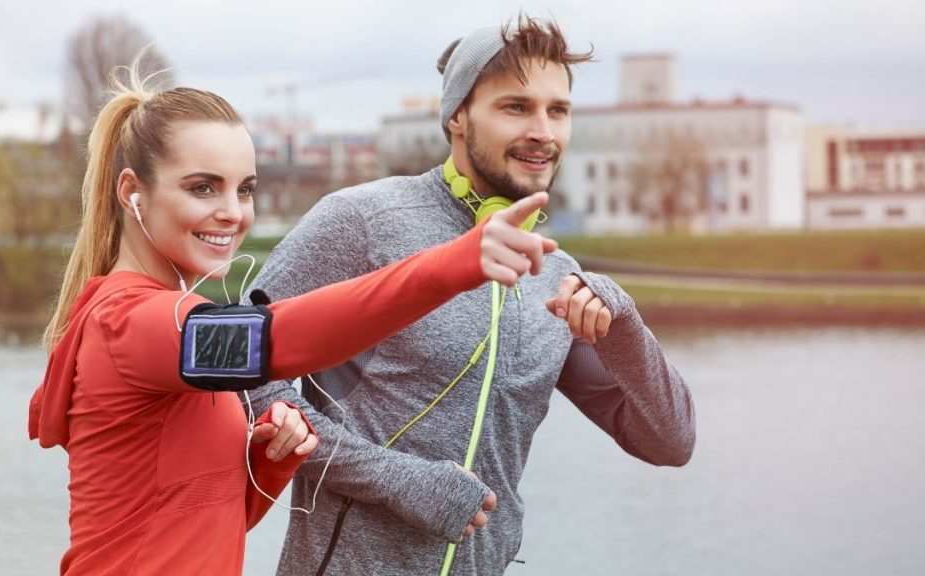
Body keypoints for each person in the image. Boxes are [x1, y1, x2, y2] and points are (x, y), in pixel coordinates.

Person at [27, 61, 561, 575]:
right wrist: (457, 262)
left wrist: (274, 459)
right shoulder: (130, 323)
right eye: (202, 187)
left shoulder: (171, 333)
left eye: (245, 189)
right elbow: (278, 339)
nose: (233, 212)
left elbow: (208, 524)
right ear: (131, 193)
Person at [245, 14, 697, 576]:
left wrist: (624, 323)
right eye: (516, 107)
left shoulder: (557, 275)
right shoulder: (362, 219)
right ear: (457, 115)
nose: (544, 132)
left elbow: (670, 442)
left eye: (558, 110)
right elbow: (242, 373)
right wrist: (395, 481)